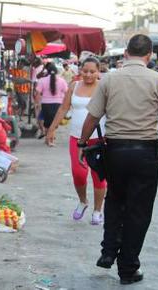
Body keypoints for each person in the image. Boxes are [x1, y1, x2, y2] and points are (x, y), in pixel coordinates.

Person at [79, 34, 158, 285]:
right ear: (149, 55)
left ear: (126, 52)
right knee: (138, 211)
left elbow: (93, 117)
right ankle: (128, 268)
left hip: (114, 151)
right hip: (145, 153)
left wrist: (82, 144)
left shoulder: (109, 79)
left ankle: (108, 250)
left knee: (115, 198)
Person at [46, 57, 106, 225]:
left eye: (92, 71)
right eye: (85, 71)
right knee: (78, 174)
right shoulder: (74, 86)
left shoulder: (104, 88)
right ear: (80, 70)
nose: (88, 75)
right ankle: (83, 201)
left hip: (99, 139)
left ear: (98, 72)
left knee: (98, 176)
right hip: (76, 138)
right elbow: (64, 108)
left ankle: (97, 210)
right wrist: (52, 128)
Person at [35, 62, 68, 144]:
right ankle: (51, 139)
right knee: (54, 122)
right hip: (58, 104)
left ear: (47, 71)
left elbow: (38, 93)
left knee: (47, 122)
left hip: (45, 104)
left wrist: (37, 103)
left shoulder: (42, 80)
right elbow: (67, 92)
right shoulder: (62, 80)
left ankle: (48, 138)